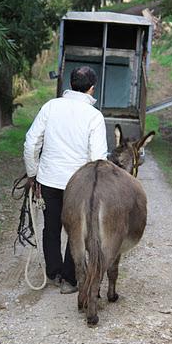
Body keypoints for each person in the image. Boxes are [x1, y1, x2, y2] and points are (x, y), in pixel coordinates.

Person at [23, 66, 108, 293]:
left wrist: (33, 175)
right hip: (78, 186)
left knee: (51, 227)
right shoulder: (94, 116)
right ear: (92, 88)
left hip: (48, 179)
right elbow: (98, 158)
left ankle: (54, 273)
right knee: (76, 230)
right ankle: (70, 281)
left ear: (71, 85)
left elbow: (31, 142)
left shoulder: (50, 107)